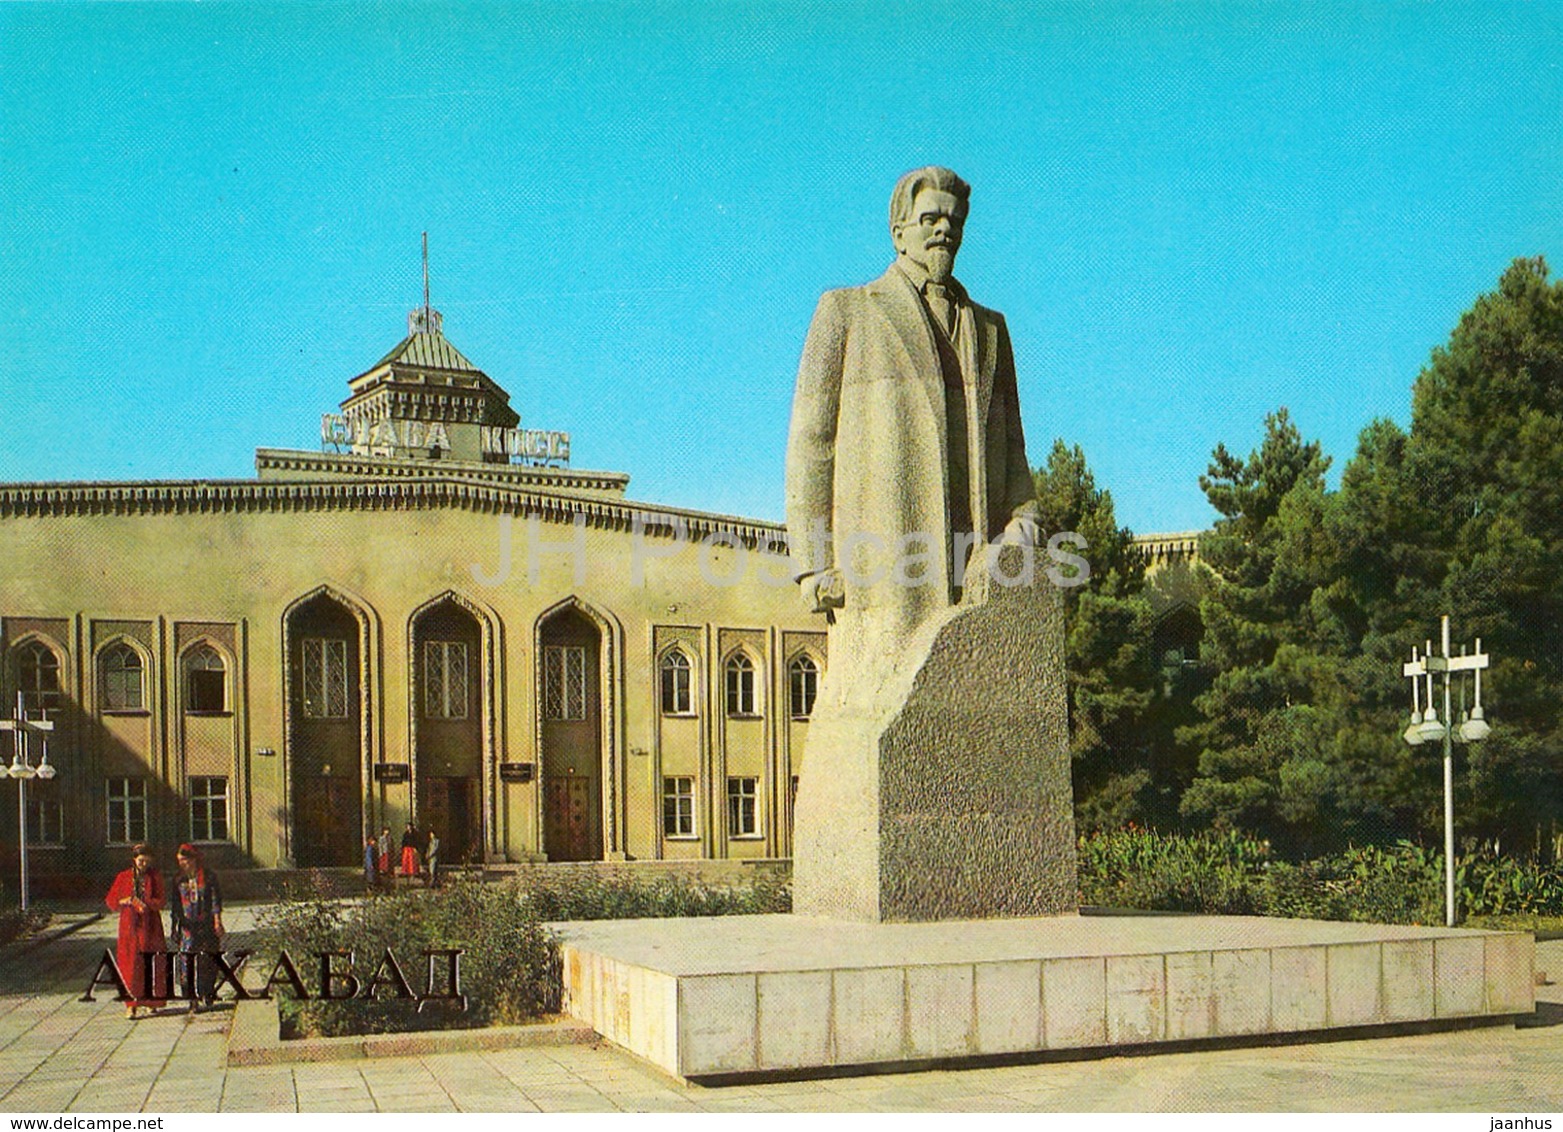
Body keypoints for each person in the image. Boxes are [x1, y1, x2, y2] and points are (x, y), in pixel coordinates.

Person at [785, 166, 1040, 671]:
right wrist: (814, 564)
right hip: (883, 566)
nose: (945, 229)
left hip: (977, 564)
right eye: (930, 219)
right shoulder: (848, 311)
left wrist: (1025, 516)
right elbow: (812, 443)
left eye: (955, 220)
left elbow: (1013, 443)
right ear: (899, 232)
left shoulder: (991, 329)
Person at [104, 844, 168, 1019]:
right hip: (130, 926)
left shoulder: (155, 877)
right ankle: (131, 1005)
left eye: (147, 861)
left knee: (151, 963)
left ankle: (151, 1002)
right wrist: (126, 900)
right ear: (134, 860)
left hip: (151, 925)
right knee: (130, 965)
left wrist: (147, 903)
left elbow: (161, 900)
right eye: (141, 861)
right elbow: (111, 900)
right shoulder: (123, 877)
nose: (144, 864)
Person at [168, 843, 224, 1011]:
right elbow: (175, 906)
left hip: (206, 923)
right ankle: (191, 997)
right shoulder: (178, 879)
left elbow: (215, 900)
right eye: (179, 861)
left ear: (193, 859)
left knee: (208, 959)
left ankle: (206, 992)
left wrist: (217, 921)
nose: (182, 864)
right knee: (187, 960)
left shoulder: (208, 876)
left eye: (185, 860)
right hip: (187, 926)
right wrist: (174, 926)